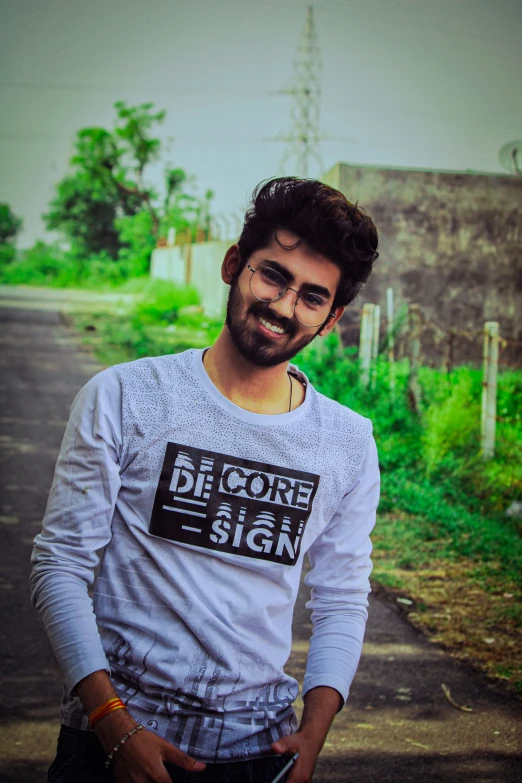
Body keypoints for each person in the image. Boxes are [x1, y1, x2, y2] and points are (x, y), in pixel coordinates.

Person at [31, 176, 380, 783]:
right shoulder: (125, 397)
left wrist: (314, 735)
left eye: (312, 296)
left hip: (258, 754)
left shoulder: (348, 442)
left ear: (333, 317)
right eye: (272, 275)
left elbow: (343, 598)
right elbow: (59, 566)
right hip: (110, 744)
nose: (283, 306)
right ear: (232, 264)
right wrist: (114, 724)